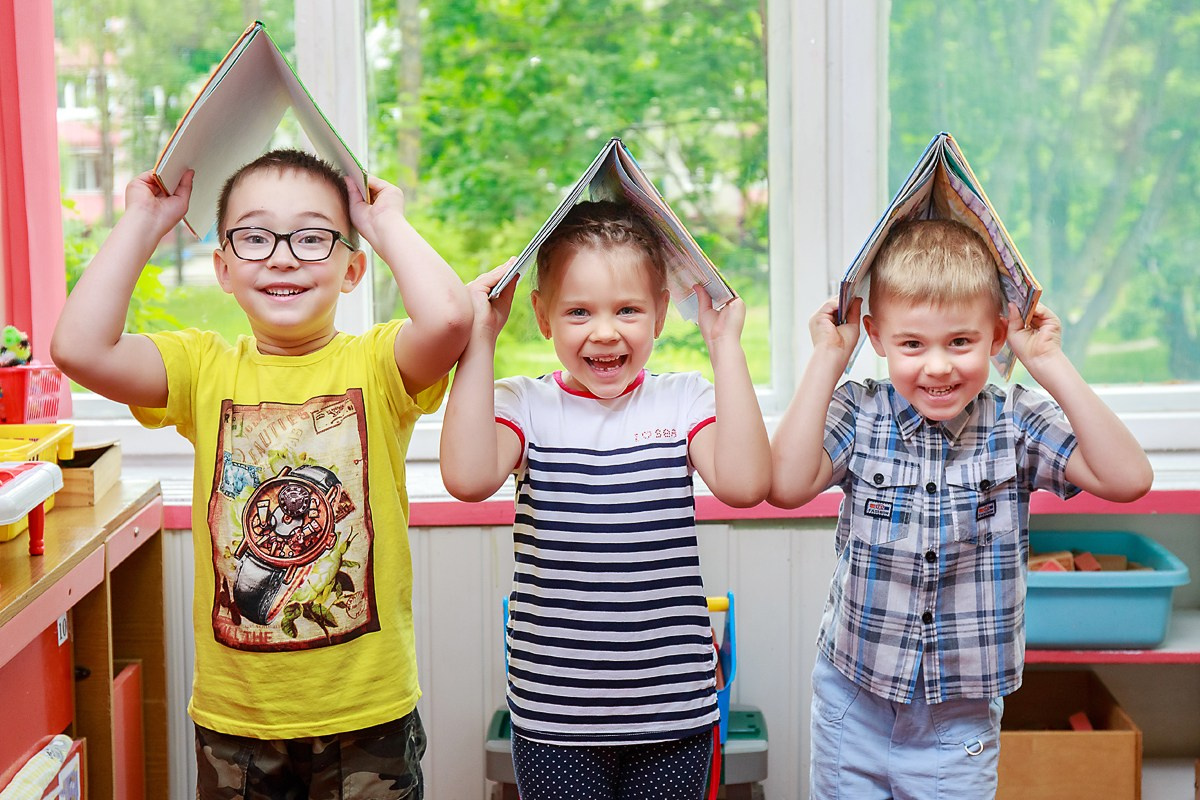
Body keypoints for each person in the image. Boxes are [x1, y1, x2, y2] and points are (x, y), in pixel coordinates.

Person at [50, 148, 473, 799]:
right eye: (255, 237)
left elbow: (450, 318)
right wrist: (143, 220)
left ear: (353, 268)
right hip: (238, 722)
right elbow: (78, 348)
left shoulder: (380, 364)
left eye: (311, 237)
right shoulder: (202, 369)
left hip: (368, 713)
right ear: (222, 267)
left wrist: (385, 223)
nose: (282, 256)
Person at [768, 218, 1154, 798]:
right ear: (875, 336)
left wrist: (1047, 360)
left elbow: (1129, 479)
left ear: (997, 336)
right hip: (855, 701)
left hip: (960, 717)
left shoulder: (1015, 421)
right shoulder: (860, 410)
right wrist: (828, 358)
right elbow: (786, 486)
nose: (938, 366)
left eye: (961, 342)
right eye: (912, 344)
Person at [439, 200, 771, 799]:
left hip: (674, 711)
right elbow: (466, 479)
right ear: (541, 315)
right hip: (555, 716)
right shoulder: (525, 404)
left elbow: (746, 485)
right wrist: (479, 338)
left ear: (661, 313)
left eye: (627, 310)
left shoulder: (682, 400)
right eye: (578, 312)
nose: (605, 331)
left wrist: (725, 346)